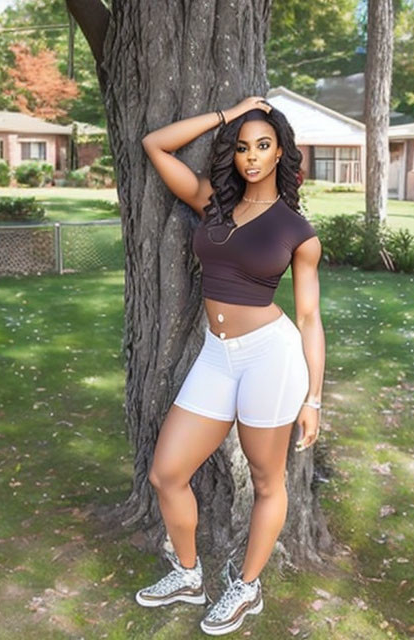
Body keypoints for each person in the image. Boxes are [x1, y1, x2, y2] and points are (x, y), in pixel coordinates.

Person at [134, 95, 325, 636]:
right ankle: (189, 574)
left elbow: (310, 318)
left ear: (282, 152)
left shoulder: (296, 230)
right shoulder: (213, 202)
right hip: (217, 356)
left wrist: (313, 397)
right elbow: (155, 145)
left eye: (263, 145)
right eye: (243, 148)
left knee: (268, 481)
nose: (252, 157)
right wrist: (230, 112)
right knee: (166, 473)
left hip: (271, 356)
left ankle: (247, 587)